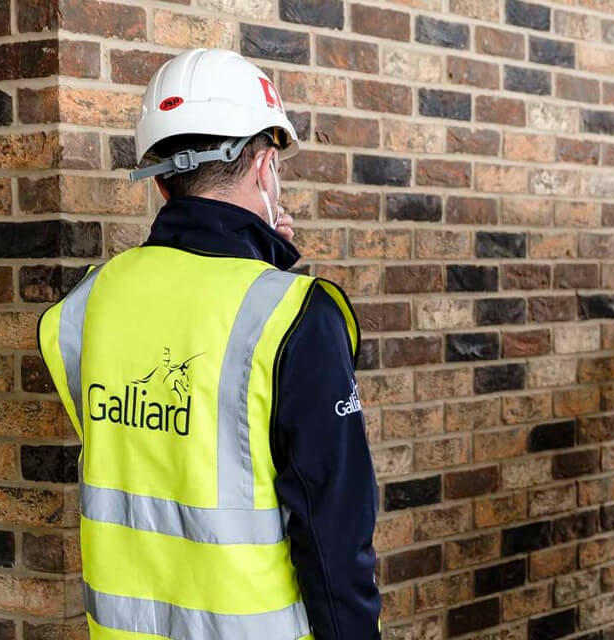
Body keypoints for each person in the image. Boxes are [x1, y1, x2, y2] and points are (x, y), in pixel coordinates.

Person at [37, 49, 380, 639]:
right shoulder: (298, 318)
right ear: (263, 165)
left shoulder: (84, 307)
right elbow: (334, 541)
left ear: (162, 181)